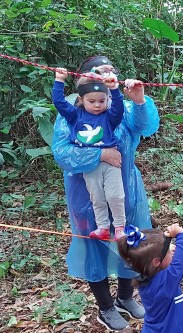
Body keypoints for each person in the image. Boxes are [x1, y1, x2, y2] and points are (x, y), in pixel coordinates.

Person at [52, 55, 160, 332]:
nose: (108, 74)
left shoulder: (120, 109)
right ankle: (106, 307)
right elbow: (62, 153)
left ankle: (125, 298)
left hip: (127, 189)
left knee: (131, 242)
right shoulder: (72, 115)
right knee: (95, 247)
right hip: (85, 193)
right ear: (85, 82)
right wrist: (101, 154)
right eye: (101, 71)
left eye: (112, 70)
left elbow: (147, 127)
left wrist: (138, 100)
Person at [52, 67, 127, 242]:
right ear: (81, 99)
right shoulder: (75, 115)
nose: (97, 105)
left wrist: (115, 90)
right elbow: (59, 103)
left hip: (111, 163)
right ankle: (102, 227)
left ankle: (119, 227)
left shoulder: (109, 117)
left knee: (115, 196)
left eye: (101, 100)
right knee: (97, 197)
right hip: (90, 163)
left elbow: (118, 109)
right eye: (91, 101)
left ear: (107, 100)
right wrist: (59, 80)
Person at [116, 224, 183, 333]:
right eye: (169, 252)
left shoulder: (146, 277)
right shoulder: (164, 283)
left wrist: (165, 240)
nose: (173, 251)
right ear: (155, 262)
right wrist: (181, 236)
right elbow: (179, 265)